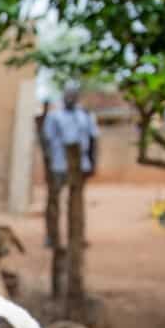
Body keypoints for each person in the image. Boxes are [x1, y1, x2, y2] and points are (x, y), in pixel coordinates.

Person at [41, 86, 100, 247]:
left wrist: (93, 163)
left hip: (80, 165)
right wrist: (48, 164)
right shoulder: (54, 117)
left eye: (73, 95)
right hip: (59, 164)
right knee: (54, 201)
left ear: (77, 97)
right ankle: (51, 235)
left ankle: (77, 236)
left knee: (76, 201)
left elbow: (94, 140)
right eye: (67, 95)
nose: (70, 98)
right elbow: (46, 141)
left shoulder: (85, 116)